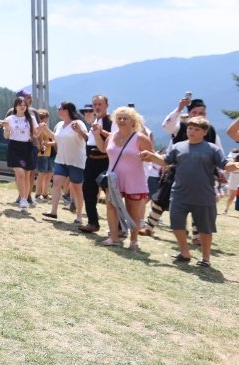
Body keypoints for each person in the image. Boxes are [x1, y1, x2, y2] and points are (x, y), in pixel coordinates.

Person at [140, 117, 235, 267]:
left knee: (205, 229)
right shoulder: (178, 146)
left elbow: (225, 165)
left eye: (196, 129)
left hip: (204, 195)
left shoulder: (213, 149)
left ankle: (205, 258)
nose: (192, 131)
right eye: (190, 128)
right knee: (176, 224)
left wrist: (235, 165)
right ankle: (185, 252)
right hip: (179, 193)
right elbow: (165, 161)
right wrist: (151, 157)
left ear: (204, 132)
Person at [142, 97, 223, 240]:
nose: (198, 115)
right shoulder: (180, 126)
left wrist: (221, 172)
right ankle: (149, 227)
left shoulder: (211, 131)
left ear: (205, 114)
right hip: (176, 171)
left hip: (203, 174)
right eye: (194, 112)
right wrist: (179, 109)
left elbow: (218, 151)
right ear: (189, 113)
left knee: (199, 204)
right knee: (161, 199)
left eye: (201, 113)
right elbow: (167, 126)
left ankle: (197, 236)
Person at [94, 106, 153, 249]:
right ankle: (113, 237)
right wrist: (96, 134)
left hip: (134, 179)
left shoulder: (140, 138)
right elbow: (104, 149)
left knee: (133, 210)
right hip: (114, 178)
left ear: (133, 121)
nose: (121, 120)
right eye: (119, 118)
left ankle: (134, 240)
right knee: (111, 206)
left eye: (125, 118)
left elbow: (151, 156)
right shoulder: (112, 136)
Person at [39, 102, 88, 223]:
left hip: (76, 161)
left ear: (66, 110)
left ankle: (79, 216)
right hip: (61, 159)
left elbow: (86, 137)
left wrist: (79, 131)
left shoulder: (78, 123)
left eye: (59, 109)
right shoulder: (60, 124)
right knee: (56, 184)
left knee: (76, 188)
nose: (58, 110)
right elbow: (56, 138)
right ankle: (53, 212)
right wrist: (45, 129)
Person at [79, 95, 116, 234]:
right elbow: (91, 140)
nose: (97, 107)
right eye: (95, 104)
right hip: (91, 160)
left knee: (110, 195)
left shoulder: (111, 121)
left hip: (105, 160)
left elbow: (115, 137)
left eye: (100, 104)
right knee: (88, 191)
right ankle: (92, 222)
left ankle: (118, 227)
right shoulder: (95, 120)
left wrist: (101, 131)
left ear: (107, 105)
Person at [2, 96, 38, 212]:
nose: (22, 107)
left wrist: (41, 130)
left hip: (27, 147)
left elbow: (35, 134)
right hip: (14, 147)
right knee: (20, 174)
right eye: (20, 105)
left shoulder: (31, 118)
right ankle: (22, 199)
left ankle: (25, 199)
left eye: (24, 105)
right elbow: (6, 136)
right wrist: (6, 129)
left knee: (27, 175)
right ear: (15, 106)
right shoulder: (10, 118)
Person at [34, 108, 54, 202]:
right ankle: (38, 193)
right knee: (42, 173)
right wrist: (54, 143)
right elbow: (42, 142)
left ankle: (45, 193)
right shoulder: (39, 128)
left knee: (49, 173)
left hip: (48, 153)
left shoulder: (45, 127)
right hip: (41, 153)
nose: (46, 120)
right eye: (45, 118)